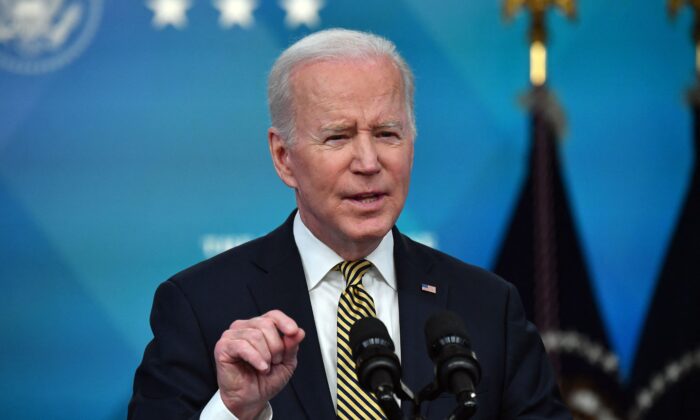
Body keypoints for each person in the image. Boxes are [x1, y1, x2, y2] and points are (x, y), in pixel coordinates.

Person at [128, 28, 570, 420]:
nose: (369, 162)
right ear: (284, 158)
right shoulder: (200, 306)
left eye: (387, 133)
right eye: (338, 136)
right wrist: (232, 412)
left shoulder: (488, 307)